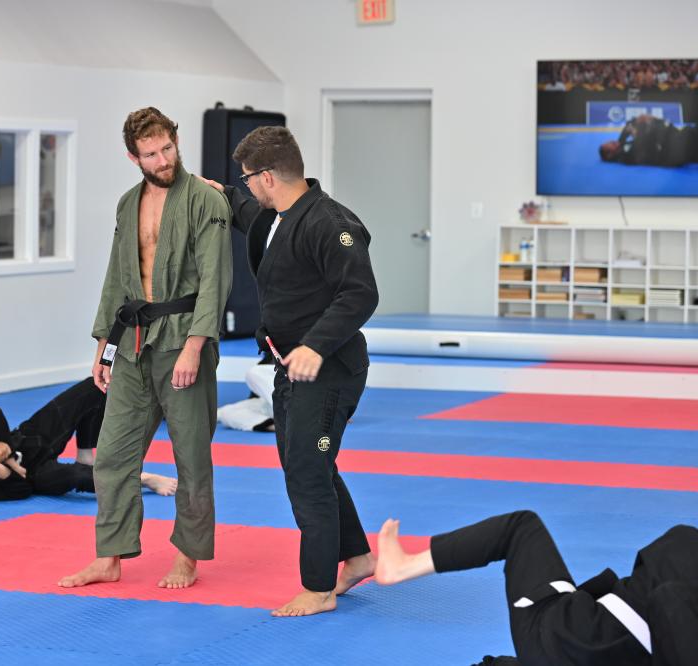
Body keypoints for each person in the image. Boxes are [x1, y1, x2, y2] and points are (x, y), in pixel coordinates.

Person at [199, 126, 380, 617]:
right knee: (309, 464)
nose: (247, 186)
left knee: (306, 471)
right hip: (289, 367)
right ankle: (358, 558)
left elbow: (360, 294)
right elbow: (246, 213)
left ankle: (318, 588)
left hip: (329, 368)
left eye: (247, 178)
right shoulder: (275, 216)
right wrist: (222, 193)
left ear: (268, 177)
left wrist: (316, 347)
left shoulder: (331, 224)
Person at [59, 107, 232, 590]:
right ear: (133, 157)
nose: (163, 160)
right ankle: (109, 556)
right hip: (133, 342)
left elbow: (216, 280)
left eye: (167, 148)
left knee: (190, 455)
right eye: (151, 154)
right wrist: (103, 345)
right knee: (112, 454)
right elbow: (117, 275)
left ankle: (188, 556)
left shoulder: (206, 200)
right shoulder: (127, 204)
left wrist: (195, 347)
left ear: (176, 141)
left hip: (183, 337)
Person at [374, 511, 698, 665]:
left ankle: (402, 566)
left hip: (568, 641)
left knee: (521, 528)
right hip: (590, 643)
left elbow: (668, 600)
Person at [0, 384, 177, 502]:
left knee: (92, 387)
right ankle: (144, 479)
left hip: (25, 440)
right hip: (36, 476)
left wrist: (1, 451)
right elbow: (21, 486)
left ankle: (85, 453)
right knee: (74, 477)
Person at [599, 114, 698, 166]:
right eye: (609, 144)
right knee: (689, 133)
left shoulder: (621, 144)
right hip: (670, 151)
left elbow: (628, 126)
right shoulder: (624, 155)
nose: (611, 141)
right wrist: (636, 131)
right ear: (610, 155)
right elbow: (641, 144)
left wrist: (637, 121)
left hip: (672, 143)